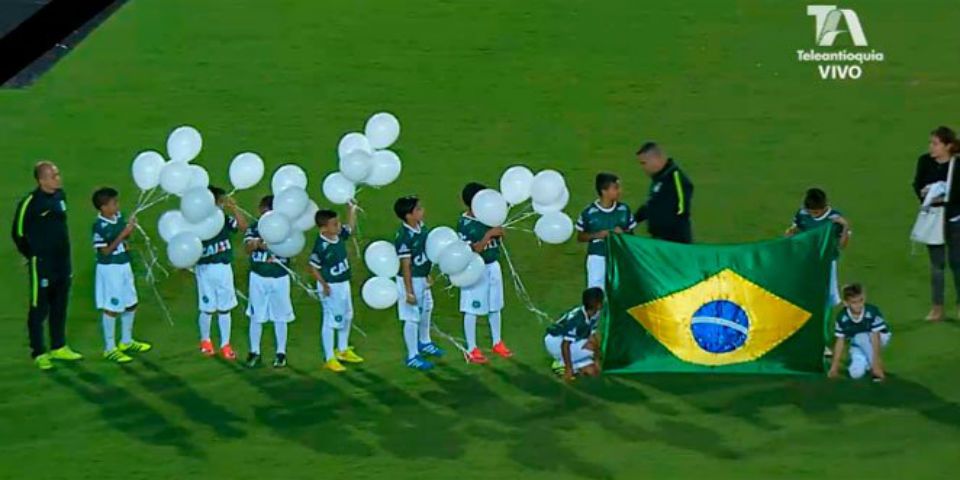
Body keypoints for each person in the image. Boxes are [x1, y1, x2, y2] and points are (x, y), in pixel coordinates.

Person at [11, 161, 82, 370]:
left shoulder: (61, 196)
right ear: (42, 180)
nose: (58, 179)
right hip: (42, 265)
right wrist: (31, 254)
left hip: (62, 263)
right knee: (39, 308)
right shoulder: (30, 203)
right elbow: (18, 233)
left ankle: (59, 346)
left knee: (60, 306)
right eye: (53, 176)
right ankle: (39, 351)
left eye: (58, 174)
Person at [91, 187, 152, 363]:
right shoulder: (99, 227)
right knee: (112, 308)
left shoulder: (118, 217)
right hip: (110, 270)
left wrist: (129, 230)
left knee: (131, 303)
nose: (117, 205)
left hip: (124, 265)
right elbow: (104, 251)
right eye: (113, 203)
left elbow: (124, 239)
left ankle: (126, 341)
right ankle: (109, 348)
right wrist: (123, 234)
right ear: (103, 207)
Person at [457, 182, 511, 364]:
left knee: (496, 305)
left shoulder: (489, 216)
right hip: (474, 269)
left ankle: (497, 342)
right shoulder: (465, 224)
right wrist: (489, 235)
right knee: (472, 309)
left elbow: (501, 237)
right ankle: (471, 348)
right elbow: (472, 250)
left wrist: (499, 233)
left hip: (493, 265)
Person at [911, 126, 960, 322]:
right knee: (936, 266)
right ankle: (937, 308)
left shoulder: (957, 165)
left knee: (957, 264)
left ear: (948, 146)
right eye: (931, 143)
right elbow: (917, 184)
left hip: (954, 219)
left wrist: (944, 197)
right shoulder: (925, 162)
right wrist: (925, 194)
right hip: (933, 218)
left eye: (935, 143)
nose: (931, 147)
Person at [194, 186, 248, 360]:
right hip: (205, 269)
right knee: (207, 307)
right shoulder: (196, 222)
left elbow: (243, 226)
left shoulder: (223, 219)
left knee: (225, 308)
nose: (223, 204)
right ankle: (205, 341)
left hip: (224, 268)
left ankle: (225, 344)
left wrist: (235, 209)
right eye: (221, 201)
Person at [308, 205, 363, 373]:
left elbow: (350, 229)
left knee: (347, 315)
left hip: (343, 283)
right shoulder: (321, 246)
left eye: (338, 222)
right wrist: (324, 285)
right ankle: (329, 358)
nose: (339, 226)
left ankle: (343, 349)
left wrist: (352, 211)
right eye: (334, 224)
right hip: (331, 286)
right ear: (324, 228)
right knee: (331, 320)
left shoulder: (338, 236)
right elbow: (313, 267)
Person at [244, 195, 295, 368]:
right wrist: (259, 243)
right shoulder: (254, 227)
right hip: (258, 277)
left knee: (280, 317)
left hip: (280, 277)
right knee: (256, 316)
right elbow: (247, 247)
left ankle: (281, 353)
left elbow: (292, 249)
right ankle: (254, 351)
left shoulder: (287, 228)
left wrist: (274, 244)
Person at [393, 195, 443, 371]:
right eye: (418, 209)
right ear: (408, 215)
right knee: (411, 317)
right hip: (409, 280)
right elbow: (405, 265)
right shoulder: (403, 236)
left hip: (421, 278)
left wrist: (427, 274)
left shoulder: (422, 228)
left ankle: (425, 341)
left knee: (428, 307)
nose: (422, 211)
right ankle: (412, 355)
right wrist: (409, 292)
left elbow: (427, 253)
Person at [785, 188, 850, 307]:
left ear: (825, 206)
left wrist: (845, 226)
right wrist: (791, 233)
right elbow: (796, 230)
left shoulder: (835, 219)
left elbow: (842, 245)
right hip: (806, 258)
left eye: (816, 212)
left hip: (827, 261)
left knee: (829, 296)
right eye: (810, 212)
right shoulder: (802, 214)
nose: (812, 215)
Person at [575, 173, 636, 289]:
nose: (619, 191)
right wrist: (598, 235)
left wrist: (622, 234)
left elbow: (632, 236)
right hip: (597, 256)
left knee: (620, 289)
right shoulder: (588, 212)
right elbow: (580, 237)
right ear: (604, 191)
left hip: (619, 257)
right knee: (596, 290)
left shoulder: (624, 210)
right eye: (616, 188)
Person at [827, 284, 891, 381]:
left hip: (880, 337)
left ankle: (876, 368)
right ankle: (869, 365)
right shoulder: (842, 317)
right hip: (857, 343)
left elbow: (875, 336)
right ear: (846, 303)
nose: (859, 305)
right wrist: (834, 367)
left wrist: (876, 362)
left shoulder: (872, 311)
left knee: (860, 337)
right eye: (854, 302)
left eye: (861, 300)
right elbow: (840, 341)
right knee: (855, 374)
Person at [634, 142, 694, 243]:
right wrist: (630, 222)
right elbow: (650, 206)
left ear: (655, 159)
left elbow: (681, 210)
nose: (643, 168)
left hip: (675, 244)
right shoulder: (659, 179)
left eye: (644, 163)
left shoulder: (676, 178)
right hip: (660, 242)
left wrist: (665, 230)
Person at [544, 287, 604, 382]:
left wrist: (597, 359)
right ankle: (561, 364)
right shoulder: (577, 320)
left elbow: (592, 336)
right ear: (599, 304)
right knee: (591, 349)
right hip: (555, 341)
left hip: (568, 340)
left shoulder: (593, 313)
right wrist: (569, 369)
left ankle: (577, 364)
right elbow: (565, 345)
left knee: (593, 371)